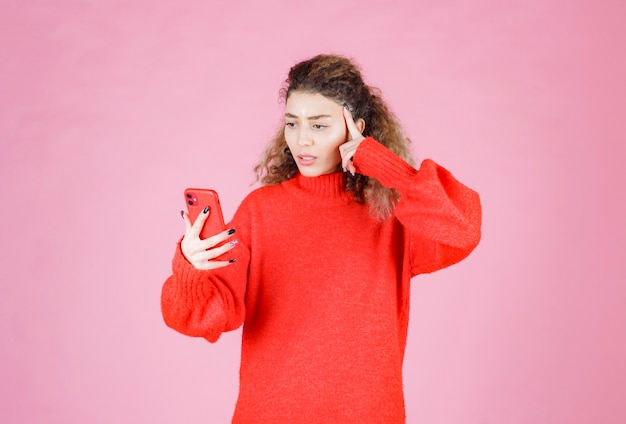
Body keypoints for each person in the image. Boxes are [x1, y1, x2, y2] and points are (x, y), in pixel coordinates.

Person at [161, 54, 482, 423]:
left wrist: (379, 163)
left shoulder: (392, 214)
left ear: (354, 128)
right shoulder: (260, 211)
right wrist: (191, 268)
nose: (302, 140)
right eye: (292, 124)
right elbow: (204, 317)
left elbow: (462, 229)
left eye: (319, 125)